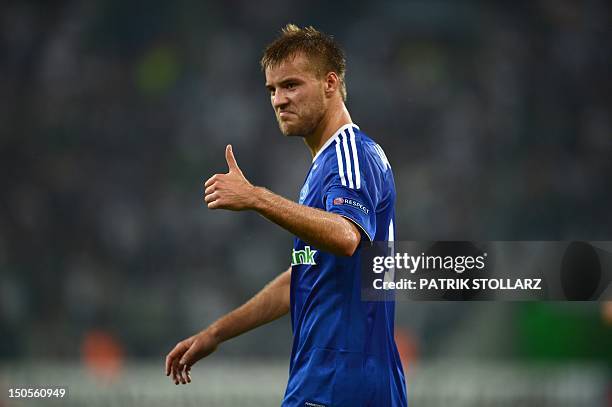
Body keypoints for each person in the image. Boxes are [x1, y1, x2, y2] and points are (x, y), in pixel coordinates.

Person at [165, 24, 407, 406]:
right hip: (335, 380)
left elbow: (347, 238)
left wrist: (256, 198)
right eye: (272, 90)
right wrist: (216, 333)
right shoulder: (324, 166)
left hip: (339, 383)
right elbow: (303, 278)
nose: (279, 100)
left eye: (291, 85)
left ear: (330, 83)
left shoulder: (350, 154)